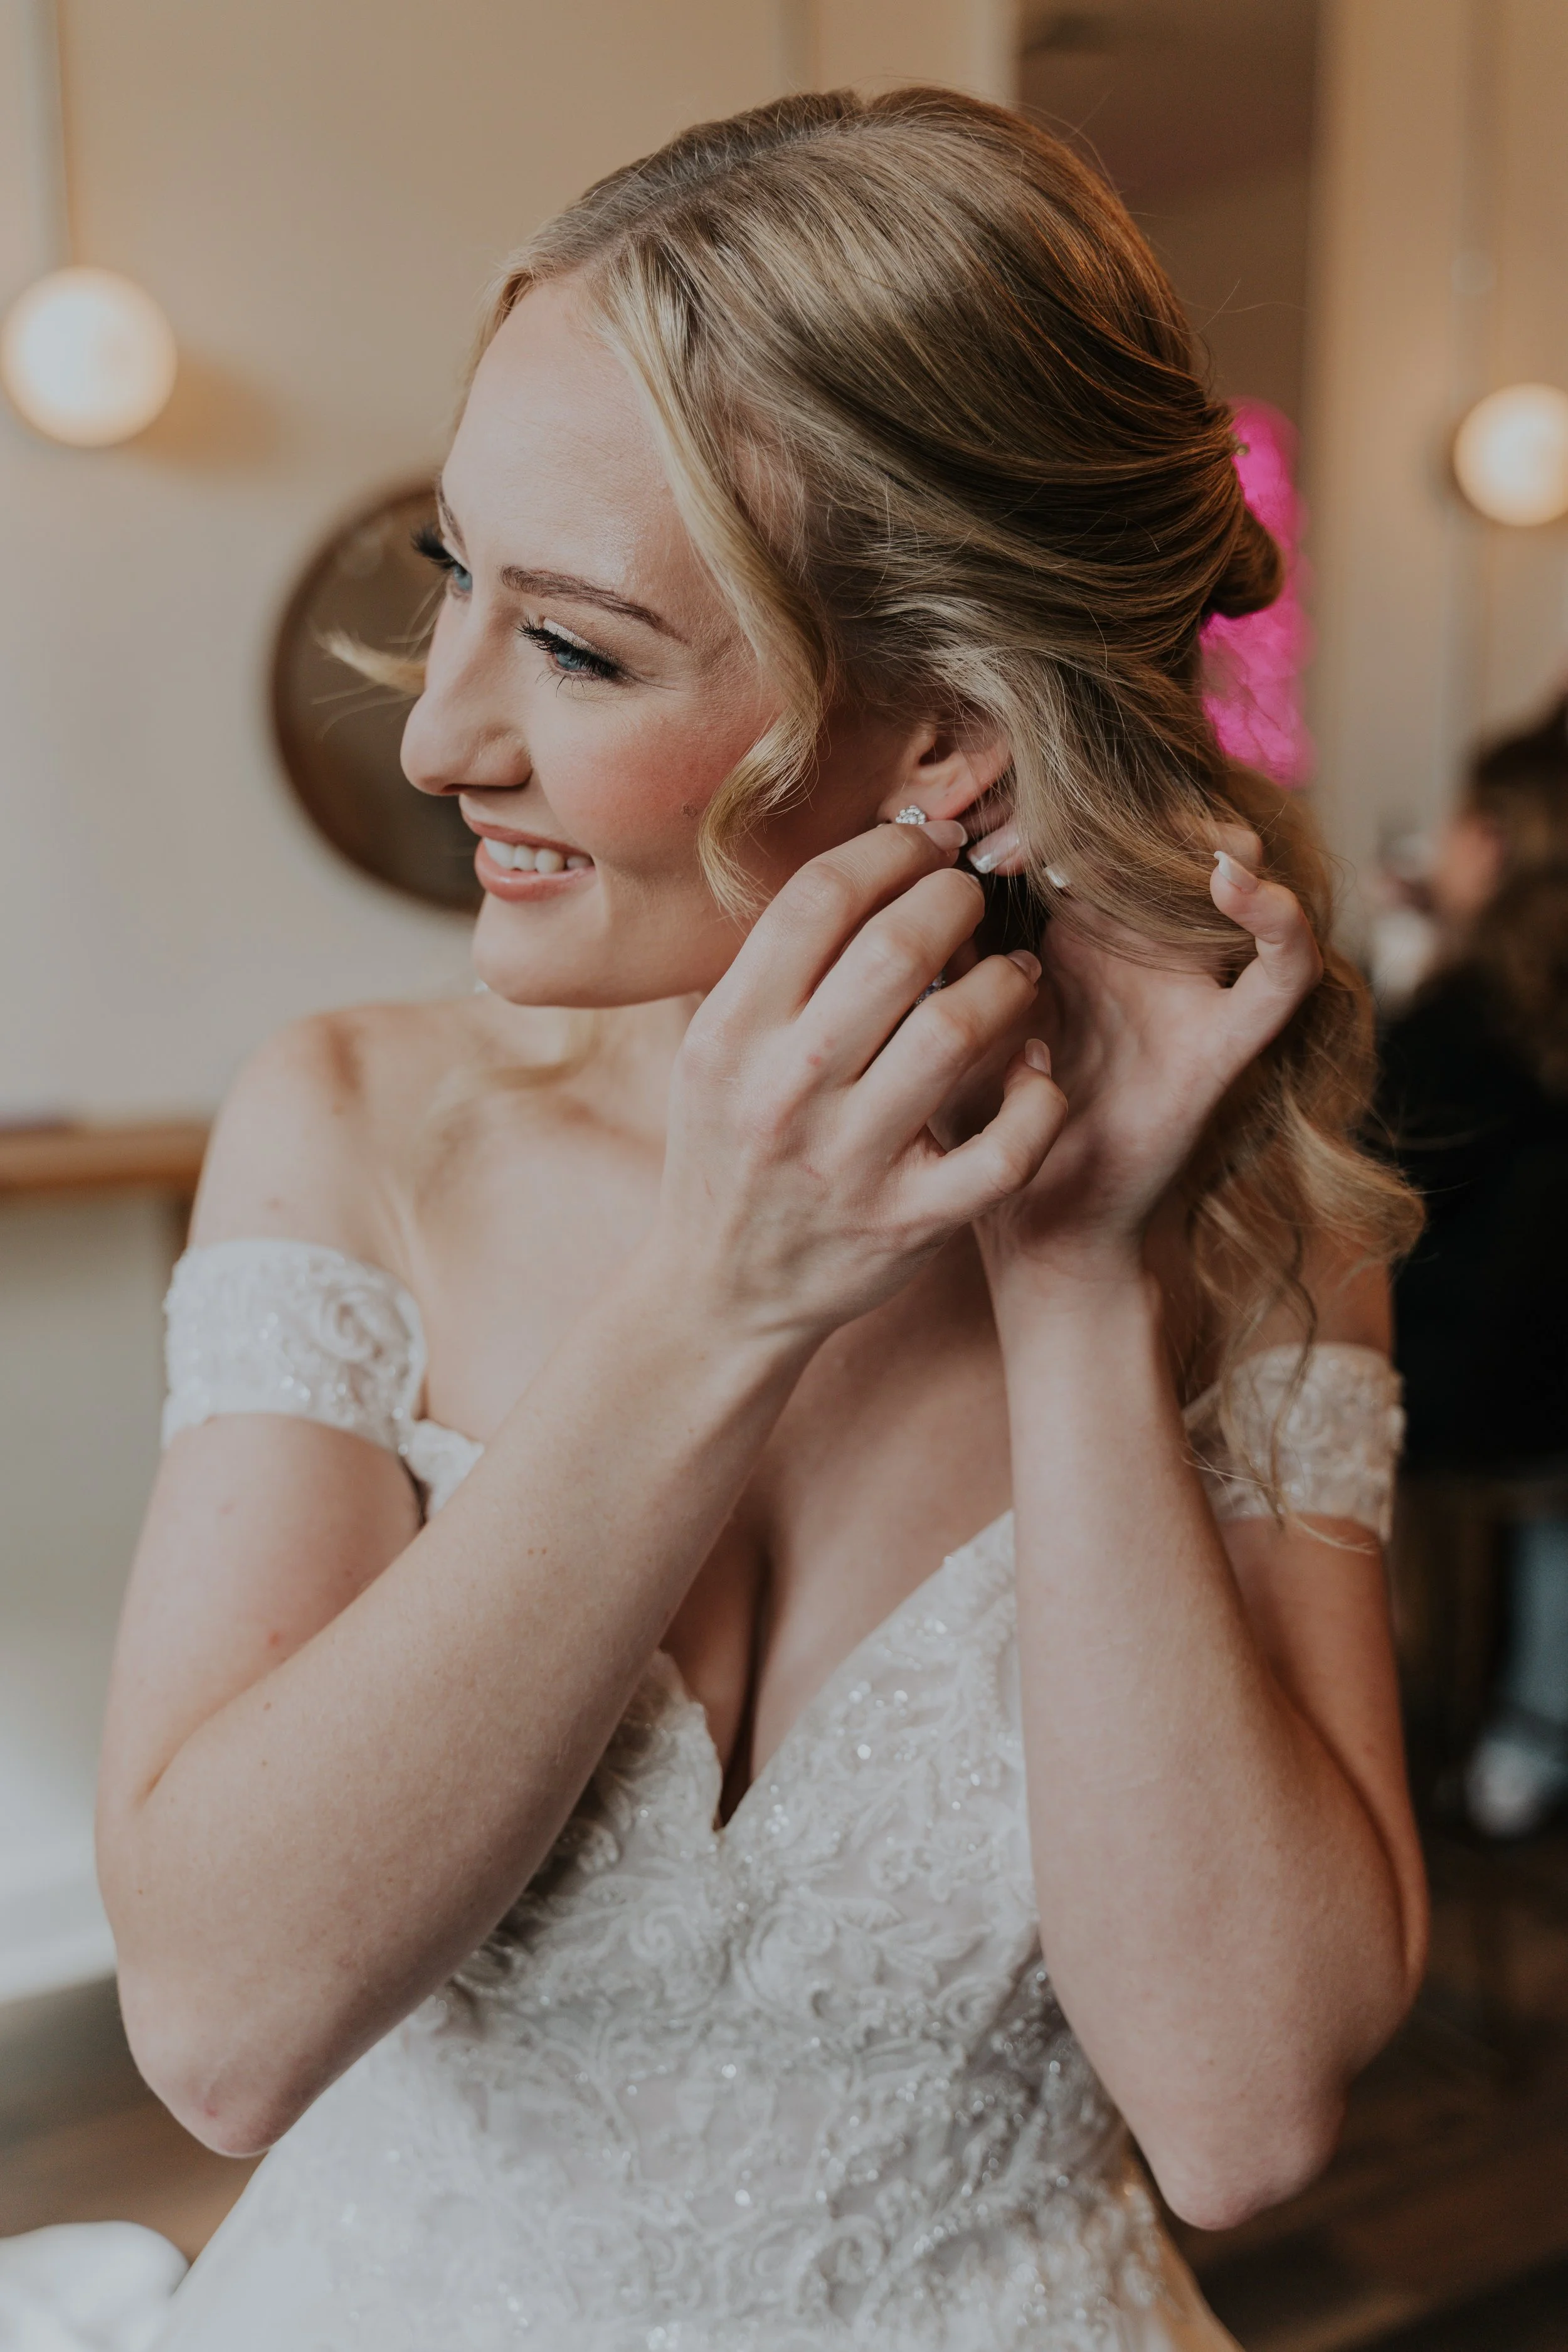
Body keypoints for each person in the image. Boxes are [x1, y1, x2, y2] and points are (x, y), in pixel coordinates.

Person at [59, 88, 1426, 2351]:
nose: (438, 741)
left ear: (945, 745)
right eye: (451, 580)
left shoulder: (1255, 1213)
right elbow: (220, 2028)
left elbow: (1245, 2113)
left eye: (579, 650)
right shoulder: (351, 1130)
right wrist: (719, 1298)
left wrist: (1084, 1290)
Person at [1379, 699, 1568, 1838]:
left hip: (1452, 1394)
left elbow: (1367, 1197)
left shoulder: (1454, 1027)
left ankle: (1404, 1703)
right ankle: (1532, 1727)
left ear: (1489, 841)